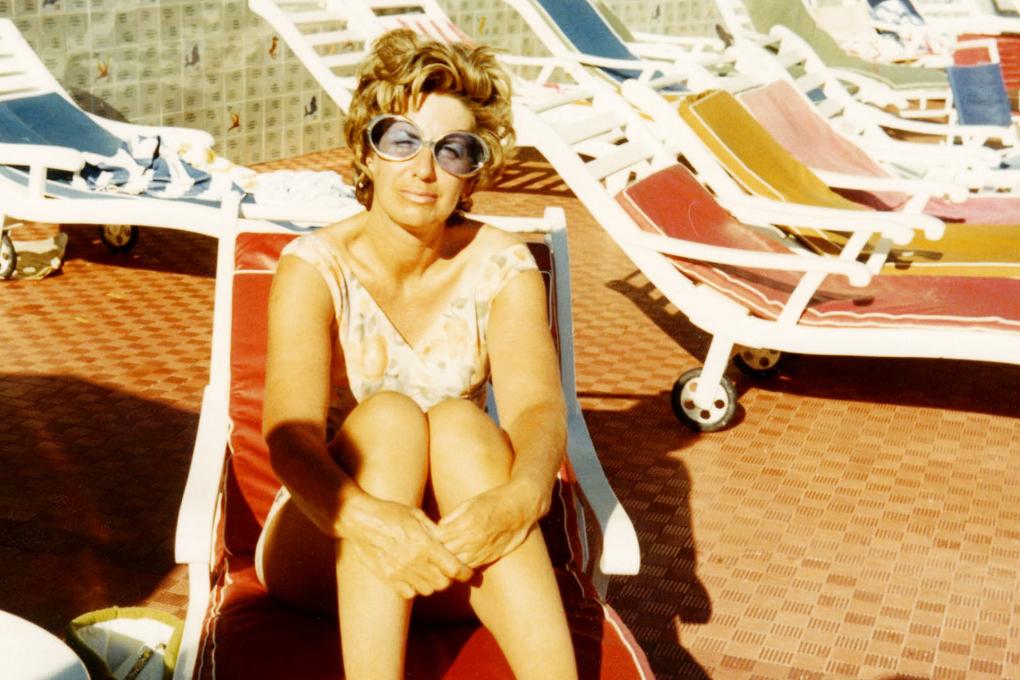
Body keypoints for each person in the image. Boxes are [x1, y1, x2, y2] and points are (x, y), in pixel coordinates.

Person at [255, 28, 578, 680]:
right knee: (390, 421)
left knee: (461, 426)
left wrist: (522, 498)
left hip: (464, 551)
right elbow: (289, 437)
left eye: (454, 150)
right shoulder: (315, 268)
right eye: (401, 140)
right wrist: (370, 520)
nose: (425, 170)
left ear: (474, 171)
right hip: (331, 542)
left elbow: (538, 409)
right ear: (366, 151)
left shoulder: (501, 266)